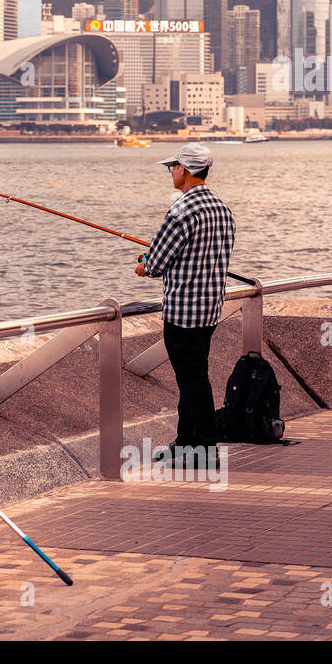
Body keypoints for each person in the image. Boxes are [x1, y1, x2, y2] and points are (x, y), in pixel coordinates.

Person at [133, 143, 236, 463]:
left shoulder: (180, 211)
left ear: (186, 171)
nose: (171, 172)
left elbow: (156, 263)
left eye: (173, 167)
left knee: (192, 380)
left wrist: (143, 263)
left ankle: (205, 447)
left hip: (181, 312)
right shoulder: (222, 209)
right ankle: (186, 441)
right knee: (193, 374)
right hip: (210, 310)